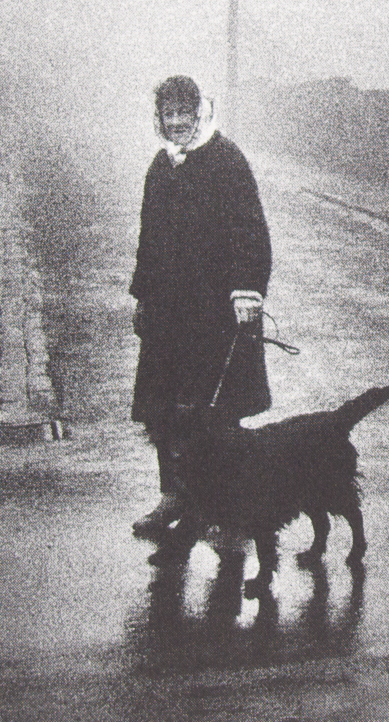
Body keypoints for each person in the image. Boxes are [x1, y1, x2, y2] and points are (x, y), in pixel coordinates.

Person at [128, 74, 272, 539]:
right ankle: (174, 497)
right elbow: (148, 239)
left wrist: (247, 291)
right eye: (167, 115)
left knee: (215, 413)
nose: (176, 124)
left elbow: (251, 230)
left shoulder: (226, 160)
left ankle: (224, 508)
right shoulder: (161, 167)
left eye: (183, 114)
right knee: (166, 410)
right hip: (169, 314)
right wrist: (143, 297)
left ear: (199, 113)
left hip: (214, 314)